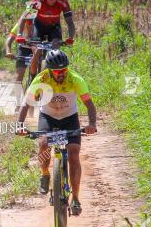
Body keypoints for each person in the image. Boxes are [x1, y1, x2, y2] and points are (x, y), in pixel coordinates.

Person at [16, 49, 96, 216]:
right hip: (48, 117)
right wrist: (20, 125)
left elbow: (89, 104)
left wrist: (92, 124)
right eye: (57, 71)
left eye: (64, 70)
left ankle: (76, 198)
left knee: (74, 155)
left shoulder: (75, 79)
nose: (61, 74)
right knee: (44, 145)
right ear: (50, 70)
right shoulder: (41, 79)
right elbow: (26, 104)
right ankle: (44, 174)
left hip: (69, 118)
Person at [28, 0, 75, 74]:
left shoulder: (63, 2)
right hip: (38, 26)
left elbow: (70, 22)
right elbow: (27, 19)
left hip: (54, 28)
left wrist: (70, 37)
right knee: (36, 52)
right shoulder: (37, 0)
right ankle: (33, 79)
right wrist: (27, 35)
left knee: (55, 51)